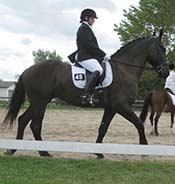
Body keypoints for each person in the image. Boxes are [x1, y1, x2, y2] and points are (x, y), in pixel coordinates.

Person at [69, 8, 110, 105]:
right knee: (98, 70)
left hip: (89, 56)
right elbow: (89, 46)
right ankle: (86, 95)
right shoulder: (83, 28)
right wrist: (103, 55)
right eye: (92, 18)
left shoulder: (86, 29)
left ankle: (96, 91)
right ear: (86, 18)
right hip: (84, 56)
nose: (94, 21)